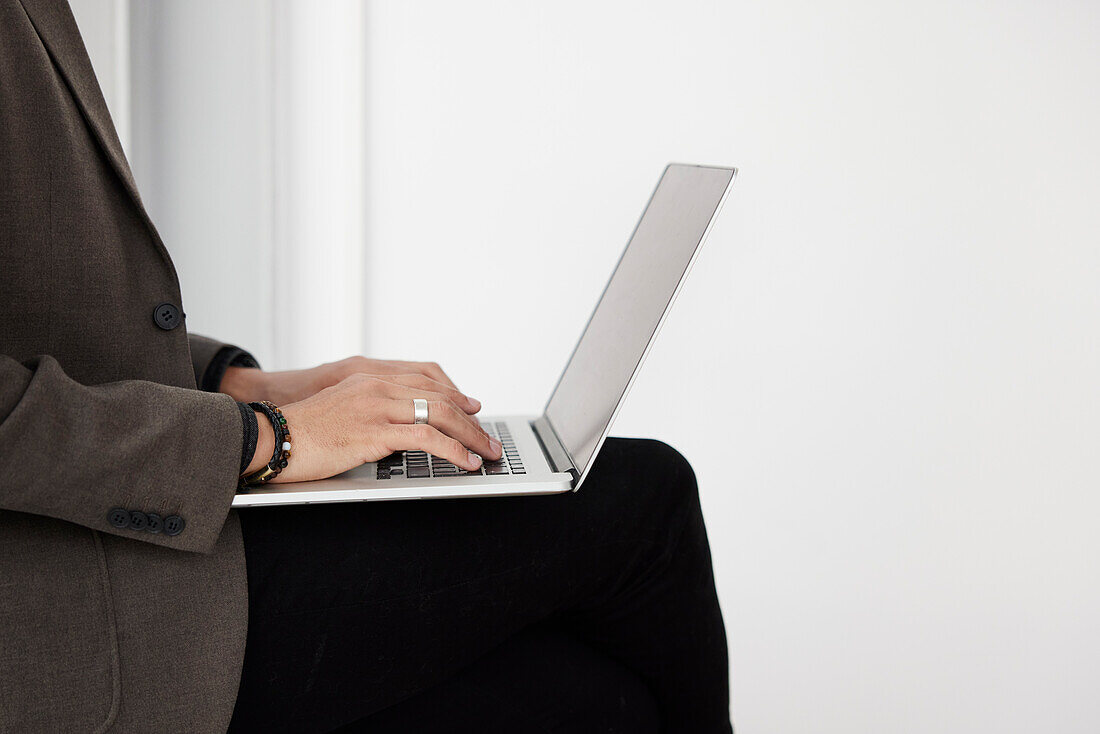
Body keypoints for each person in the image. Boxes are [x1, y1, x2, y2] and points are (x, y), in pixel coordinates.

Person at [0, 1, 733, 732]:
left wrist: (243, 386)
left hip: (129, 534)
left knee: (604, 701)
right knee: (642, 502)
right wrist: (268, 438)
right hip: (77, 608)